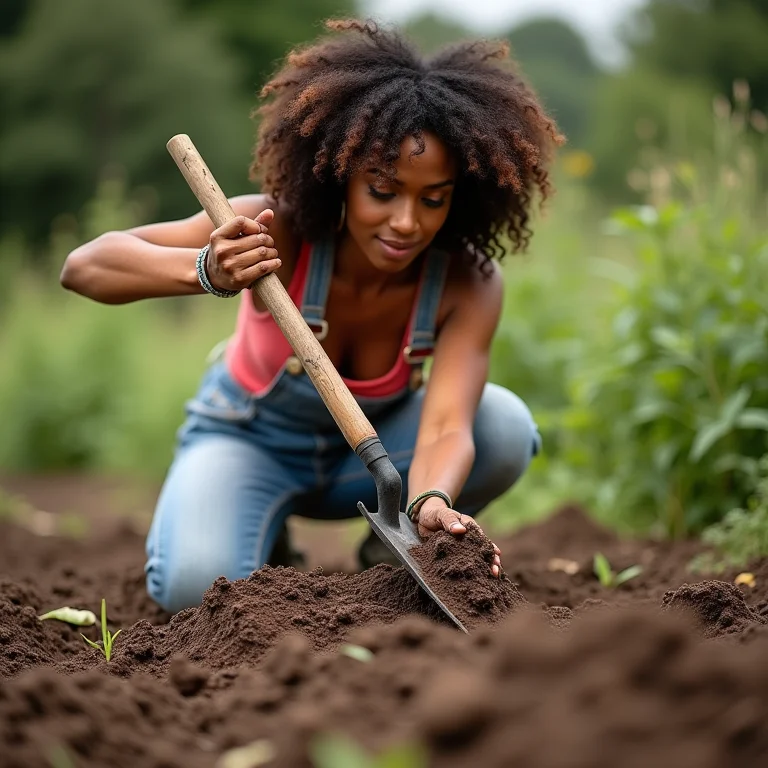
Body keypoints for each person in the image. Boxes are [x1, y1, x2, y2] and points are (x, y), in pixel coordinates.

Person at [61, 19, 563, 614]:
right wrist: (206, 269)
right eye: (382, 191)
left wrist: (430, 500)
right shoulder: (275, 229)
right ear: (341, 177)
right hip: (250, 443)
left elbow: (447, 426)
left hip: (376, 461)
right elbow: (85, 267)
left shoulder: (467, 282)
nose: (407, 222)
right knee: (194, 587)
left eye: (433, 199)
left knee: (503, 426)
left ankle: (394, 555)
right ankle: (263, 536)